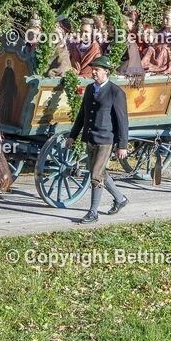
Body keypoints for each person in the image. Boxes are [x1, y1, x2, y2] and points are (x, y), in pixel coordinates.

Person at [66, 55, 129, 224]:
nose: (93, 72)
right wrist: (73, 135)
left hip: (106, 139)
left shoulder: (116, 92)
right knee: (100, 172)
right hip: (90, 137)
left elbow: (123, 120)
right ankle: (120, 198)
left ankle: (93, 212)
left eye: (97, 70)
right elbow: (82, 115)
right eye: (93, 69)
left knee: (95, 175)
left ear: (106, 72)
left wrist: (122, 145)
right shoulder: (89, 89)